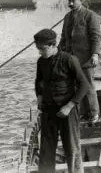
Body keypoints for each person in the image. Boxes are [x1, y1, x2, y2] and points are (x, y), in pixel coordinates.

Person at [34, 28, 90, 173]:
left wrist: (70, 106)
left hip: (68, 110)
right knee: (46, 149)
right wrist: (39, 97)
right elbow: (38, 81)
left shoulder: (69, 60)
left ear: (54, 45)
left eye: (43, 49)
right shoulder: (41, 62)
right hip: (48, 110)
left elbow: (84, 85)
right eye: (38, 49)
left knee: (71, 147)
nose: (40, 52)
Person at [58, 0, 101, 124]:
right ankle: (81, 113)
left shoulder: (90, 16)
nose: (70, 3)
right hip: (71, 59)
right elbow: (64, 38)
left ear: (80, 0)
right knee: (75, 87)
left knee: (88, 86)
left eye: (73, 1)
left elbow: (96, 37)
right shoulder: (67, 17)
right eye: (69, 1)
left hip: (86, 58)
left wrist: (95, 54)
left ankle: (94, 113)